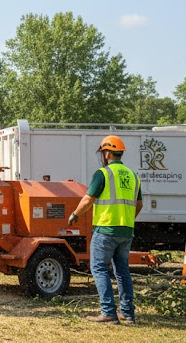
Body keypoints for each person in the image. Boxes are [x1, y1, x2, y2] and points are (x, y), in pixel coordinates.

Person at [68, 135, 143, 324]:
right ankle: (127, 314)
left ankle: (108, 312)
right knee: (122, 271)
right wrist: (125, 220)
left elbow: (88, 199)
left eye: (103, 152)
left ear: (107, 153)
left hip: (106, 229)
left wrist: (75, 214)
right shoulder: (133, 176)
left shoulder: (103, 174)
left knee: (99, 269)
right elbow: (139, 205)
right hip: (126, 231)